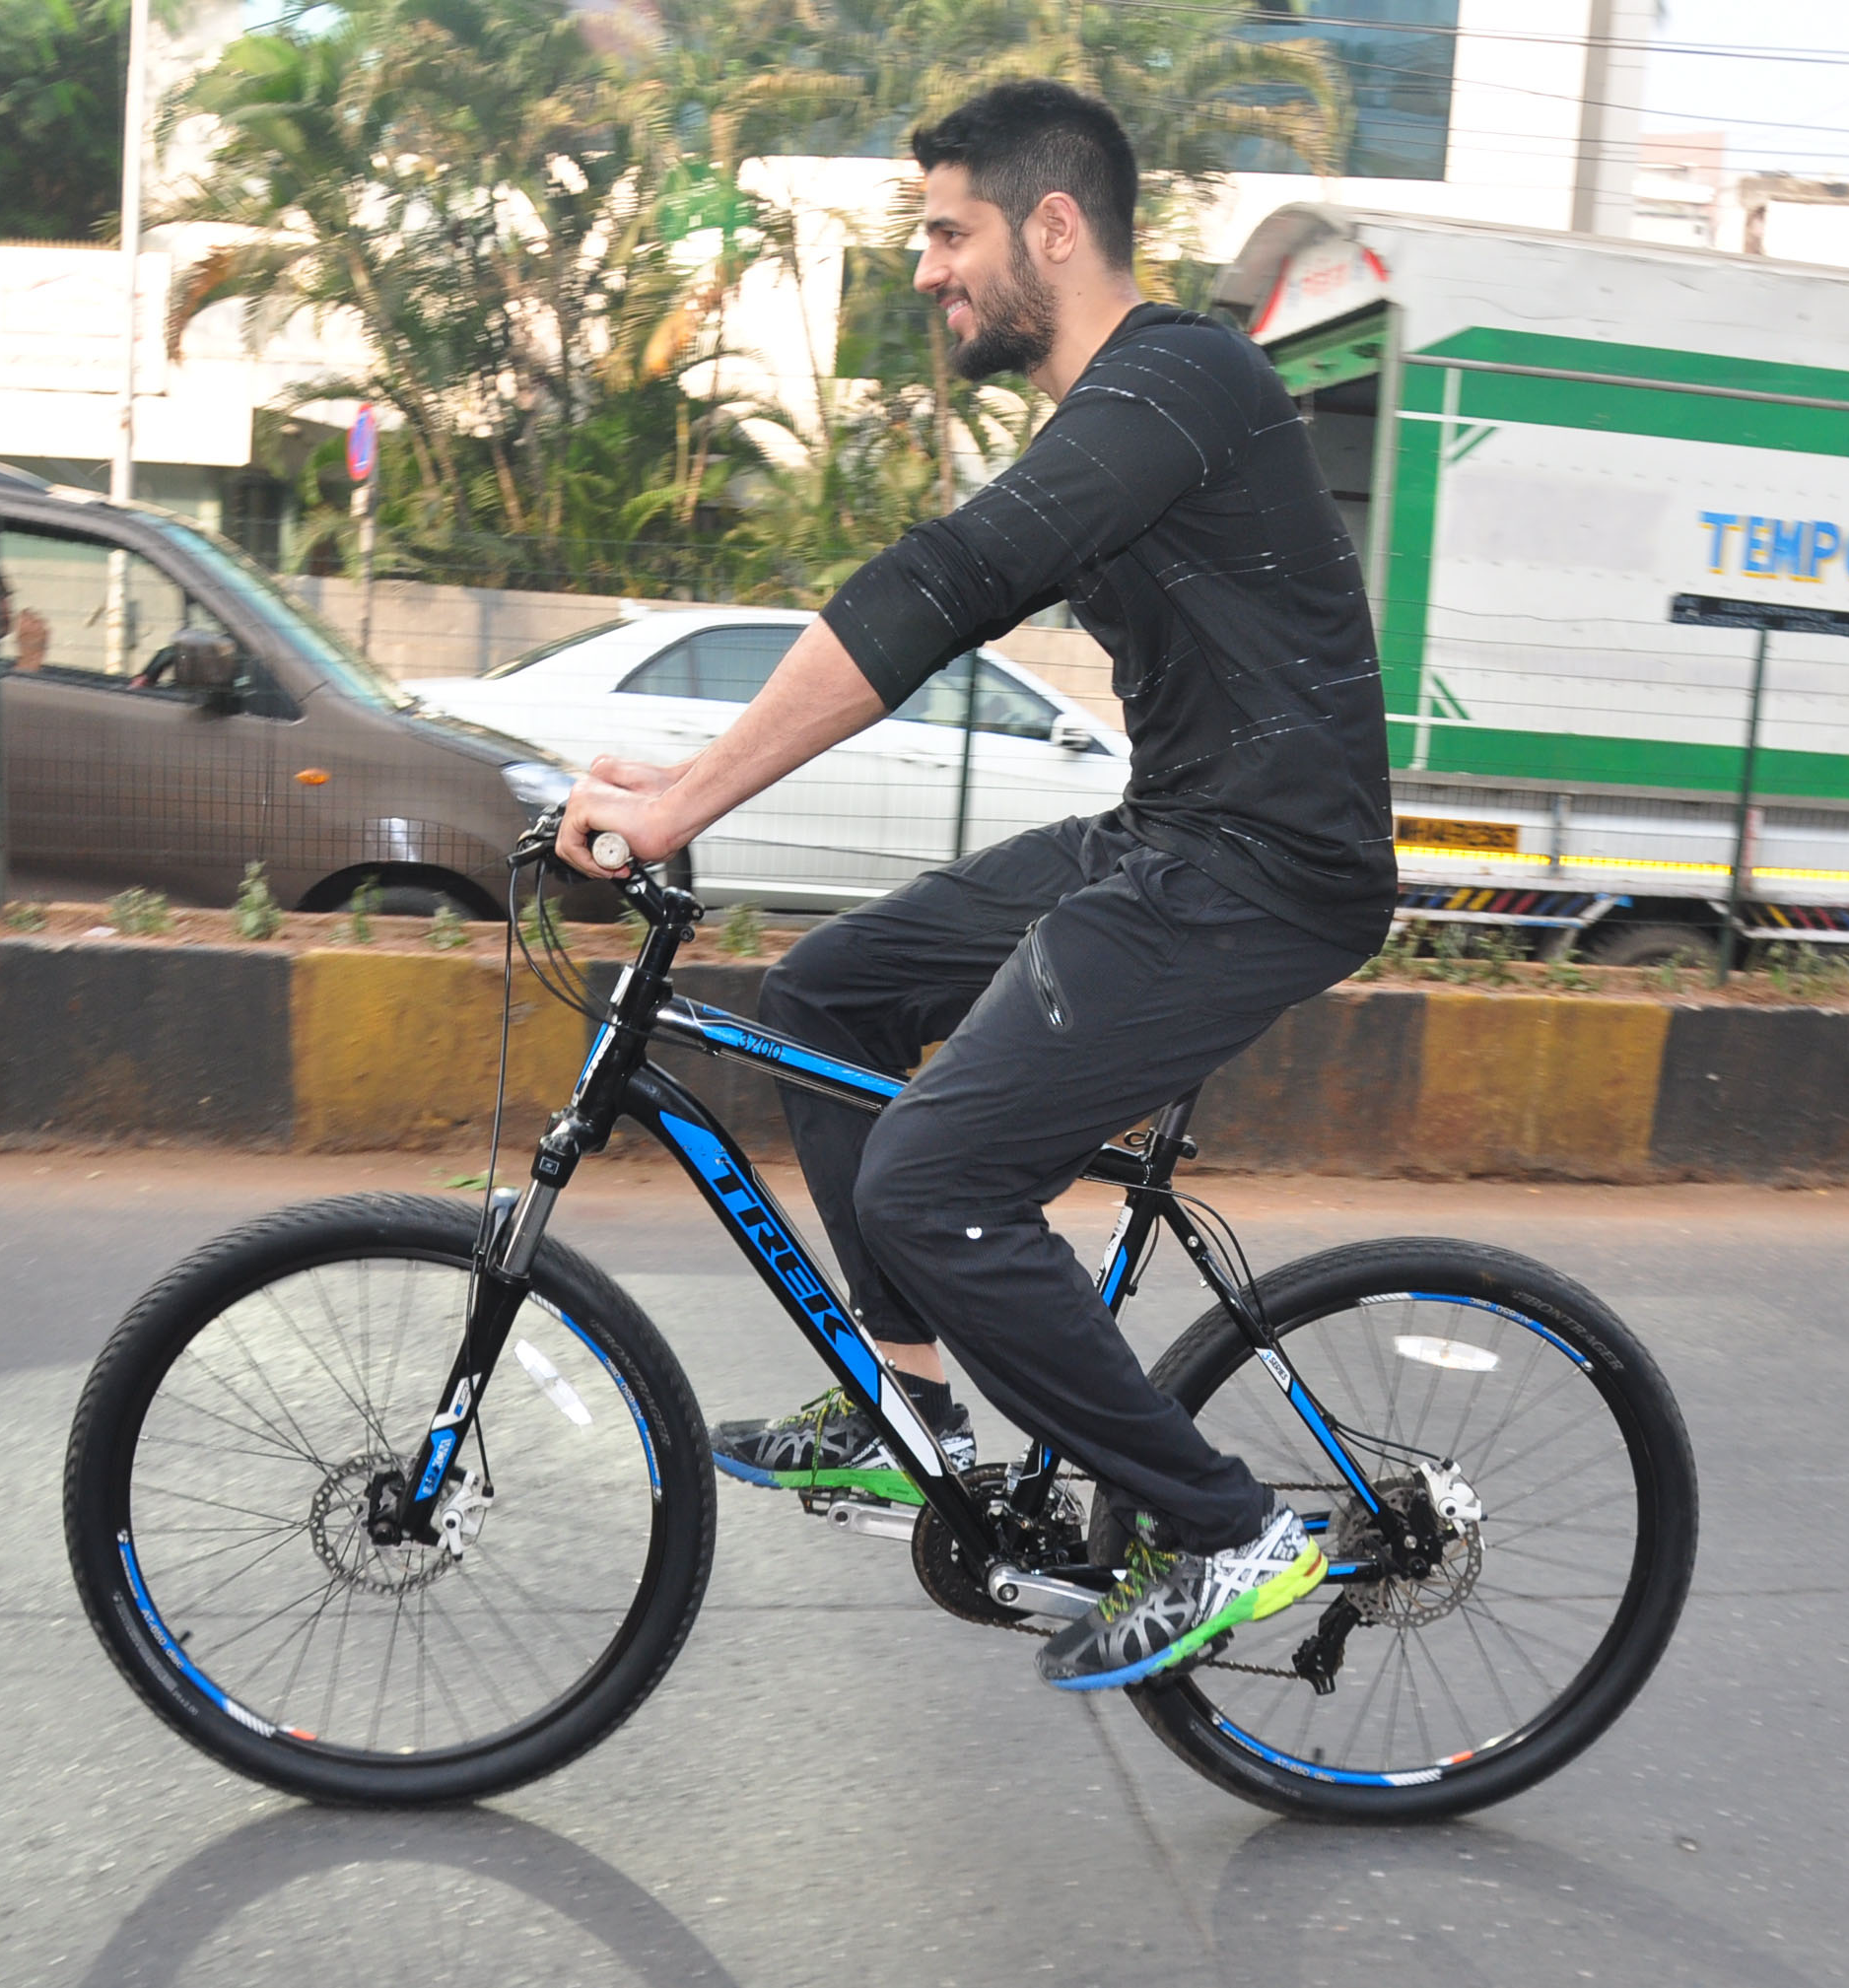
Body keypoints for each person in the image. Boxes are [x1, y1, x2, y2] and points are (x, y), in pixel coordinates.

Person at [559, 81, 1395, 1693]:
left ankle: (1219, 1528)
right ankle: (909, 1397)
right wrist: (675, 791)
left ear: (1053, 225)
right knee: (826, 994)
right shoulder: (1118, 412)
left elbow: (939, 584)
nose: (929, 269)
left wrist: (681, 804)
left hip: (1266, 870)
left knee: (933, 1179)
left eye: (949, 231)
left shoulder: (1184, 378)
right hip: (1174, 831)